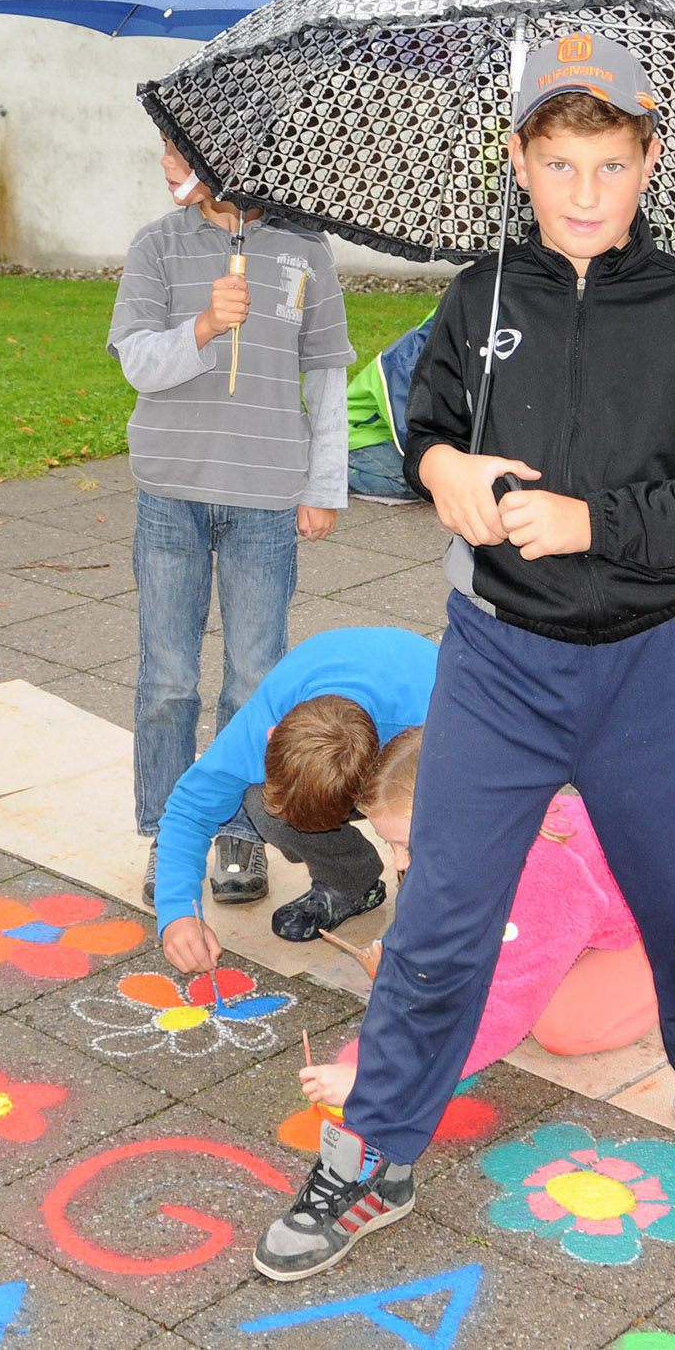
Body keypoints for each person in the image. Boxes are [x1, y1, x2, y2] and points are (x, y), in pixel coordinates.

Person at [247, 34, 675, 1287]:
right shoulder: (479, 296)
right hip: (498, 662)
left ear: (647, 161)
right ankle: (375, 1151)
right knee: (442, 915)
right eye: (559, 162)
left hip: (645, 662)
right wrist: (441, 467)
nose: (583, 190)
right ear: (517, 159)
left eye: (609, 164)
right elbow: (421, 419)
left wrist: (592, 522)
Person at [110, 135, 354, 913]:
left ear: (227, 156)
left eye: (176, 152)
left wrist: (323, 485)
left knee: (253, 679)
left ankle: (238, 831)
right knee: (167, 679)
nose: (164, 165)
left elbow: (325, 374)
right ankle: (168, 831)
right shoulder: (155, 246)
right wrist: (205, 327)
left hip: (264, 498)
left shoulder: (303, 251)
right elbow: (136, 363)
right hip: (170, 491)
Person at [290, 735, 675, 1111]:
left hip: (670, 922)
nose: (398, 861)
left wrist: (381, 1081)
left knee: (561, 1025)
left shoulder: (540, 872)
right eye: (389, 844)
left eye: (408, 845)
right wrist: (359, 1061)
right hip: (594, 905)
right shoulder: (476, 833)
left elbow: (506, 1007)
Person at [152, 625, 435, 943]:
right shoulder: (262, 719)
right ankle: (350, 881)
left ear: (369, 777)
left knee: (429, 841)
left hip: (416, 715)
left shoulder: (436, 722)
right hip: (374, 706)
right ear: (272, 736)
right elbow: (190, 810)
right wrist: (178, 912)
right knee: (262, 806)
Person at [344, 316, 433, 502]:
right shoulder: (405, 364)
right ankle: (330, 475)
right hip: (359, 435)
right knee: (411, 480)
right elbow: (409, 433)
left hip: (384, 434)